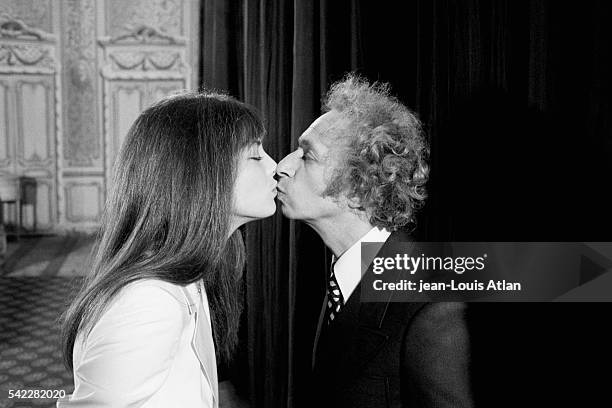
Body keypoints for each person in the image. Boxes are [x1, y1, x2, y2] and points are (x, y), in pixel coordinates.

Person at [57, 92, 277, 408]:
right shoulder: (149, 301)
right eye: (256, 156)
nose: (274, 167)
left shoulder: (192, 272)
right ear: (200, 173)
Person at [276, 74, 472, 407]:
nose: (282, 166)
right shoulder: (341, 280)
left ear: (357, 187)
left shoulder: (429, 305)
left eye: (307, 156)